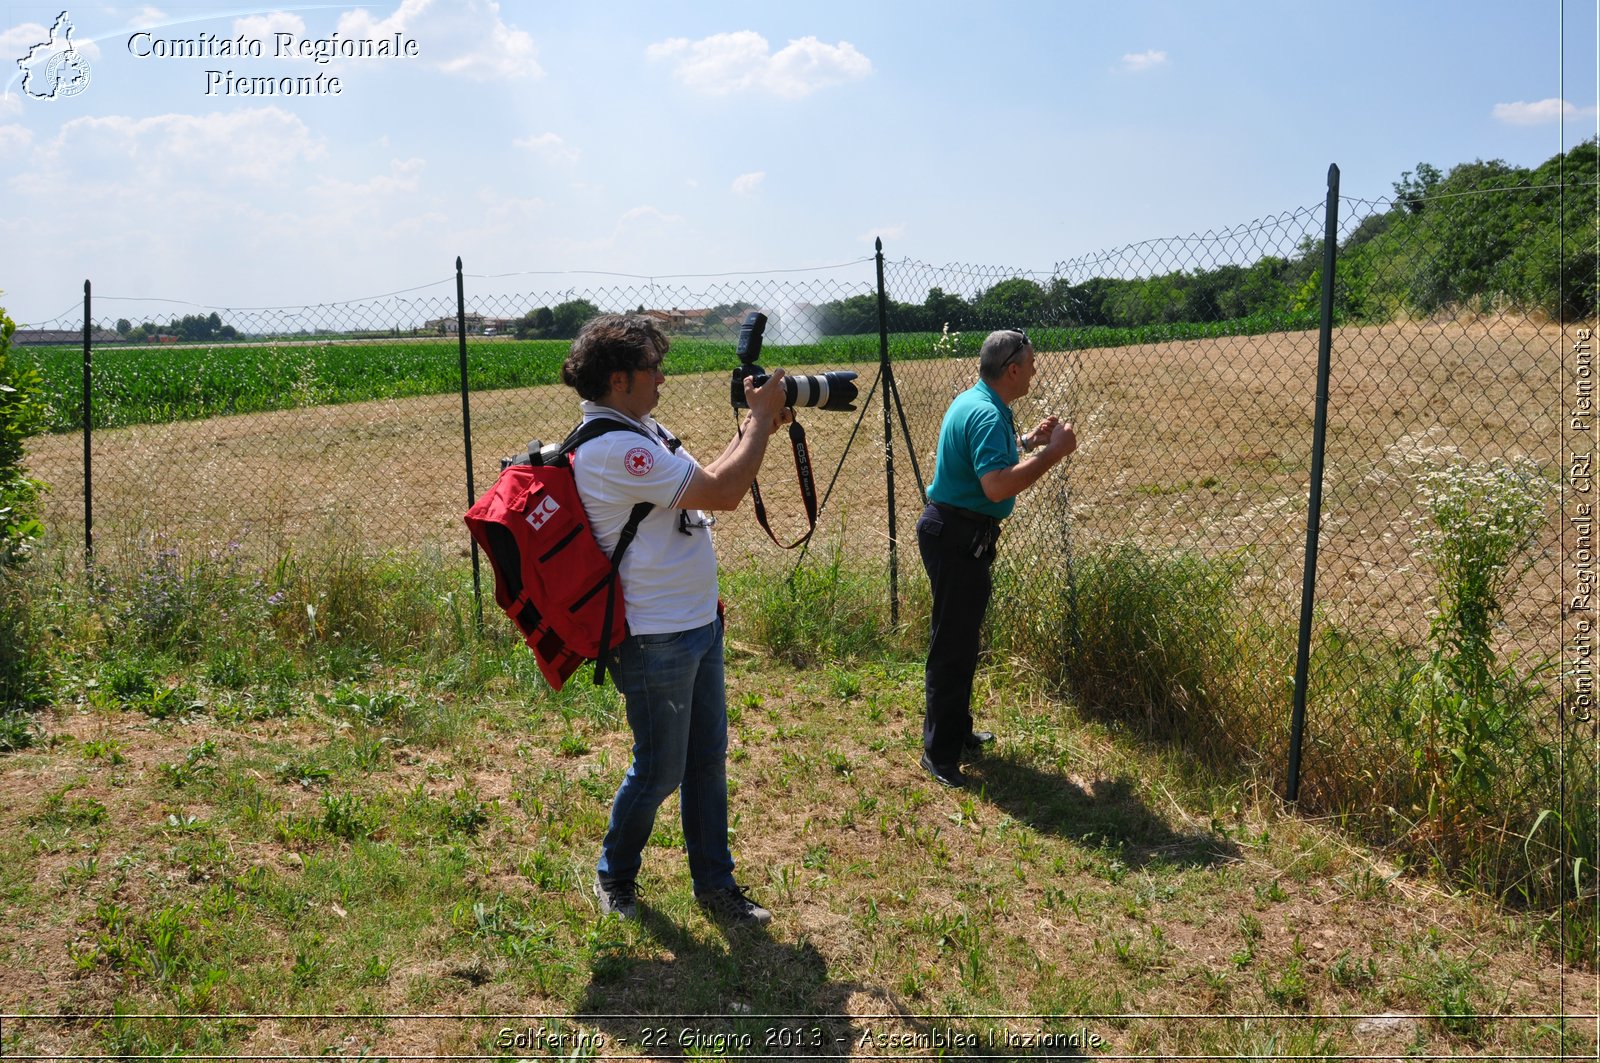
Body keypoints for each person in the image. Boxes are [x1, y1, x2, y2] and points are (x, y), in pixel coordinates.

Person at [559, 313, 792, 924]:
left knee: (707, 760)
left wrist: (752, 426)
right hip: (653, 636)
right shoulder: (618, 449)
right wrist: (762, 422)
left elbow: (704, 479)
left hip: (696, 621)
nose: (662, 377)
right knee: (661, 768)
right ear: (618, 379)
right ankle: (614, 874)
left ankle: (715, 886)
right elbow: (724, 494)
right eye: (651, 368)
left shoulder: (640, 428)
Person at [917, 328, 1077, 789]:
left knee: (960, 639)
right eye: (1030, 363)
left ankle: (955, 730)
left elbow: (987, 460)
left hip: (955, 532)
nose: (1034, 370)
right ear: (1011, 369)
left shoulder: (979, 402)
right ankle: (939, 755)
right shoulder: (988, 415)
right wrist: (1052, 453)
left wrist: (1027, 441)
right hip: (957, 536)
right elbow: (996, 485)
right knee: (952, 646)